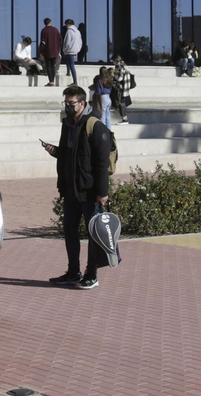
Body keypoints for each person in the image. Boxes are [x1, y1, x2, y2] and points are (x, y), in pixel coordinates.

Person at [43, 85, 112, 291]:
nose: (68, 107)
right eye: (65, 103)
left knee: (93, 234)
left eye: (71, 103)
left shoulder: (95, 126)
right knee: (70, 232)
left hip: (89, 191)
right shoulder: (67, 124)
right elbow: (67, 152)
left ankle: (92, 274)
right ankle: (73, 272)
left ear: (82, 103)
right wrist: (55, 151)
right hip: (71, 189)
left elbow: (102, 162)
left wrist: (103, 192)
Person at [111, 55, 135, 123]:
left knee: (121, 103)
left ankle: (124, 119)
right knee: (123, 102)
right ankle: (124, 118)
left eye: (113, 61)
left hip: (121, 88)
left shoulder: (119, 66)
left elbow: (120, 78)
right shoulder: (125, 65)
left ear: (115, 60)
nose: (113, 62)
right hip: (126, 87)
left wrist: (114, 76)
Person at [38, 18, 62, 87]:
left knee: (48, 66)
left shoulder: (44, 31)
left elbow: (43, 42)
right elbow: (60, 40)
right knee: (53, 66)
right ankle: (52, 81)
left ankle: (51, 81)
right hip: (55, 51)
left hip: (47, 51)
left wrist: (42, 51)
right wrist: (58, 48)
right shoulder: (55, 30)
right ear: (50, 22)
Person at [61, 19, 82, 85]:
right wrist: (78, 49)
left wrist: (64, 49)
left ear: (68, 24)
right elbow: (80, 42)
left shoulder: (69, 31)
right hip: (75, 50)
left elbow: (67, 42)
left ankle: (75, 81)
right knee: (69, 62)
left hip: (70, 50)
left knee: (71, 65)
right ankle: (68, 71)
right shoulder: (77, 32)